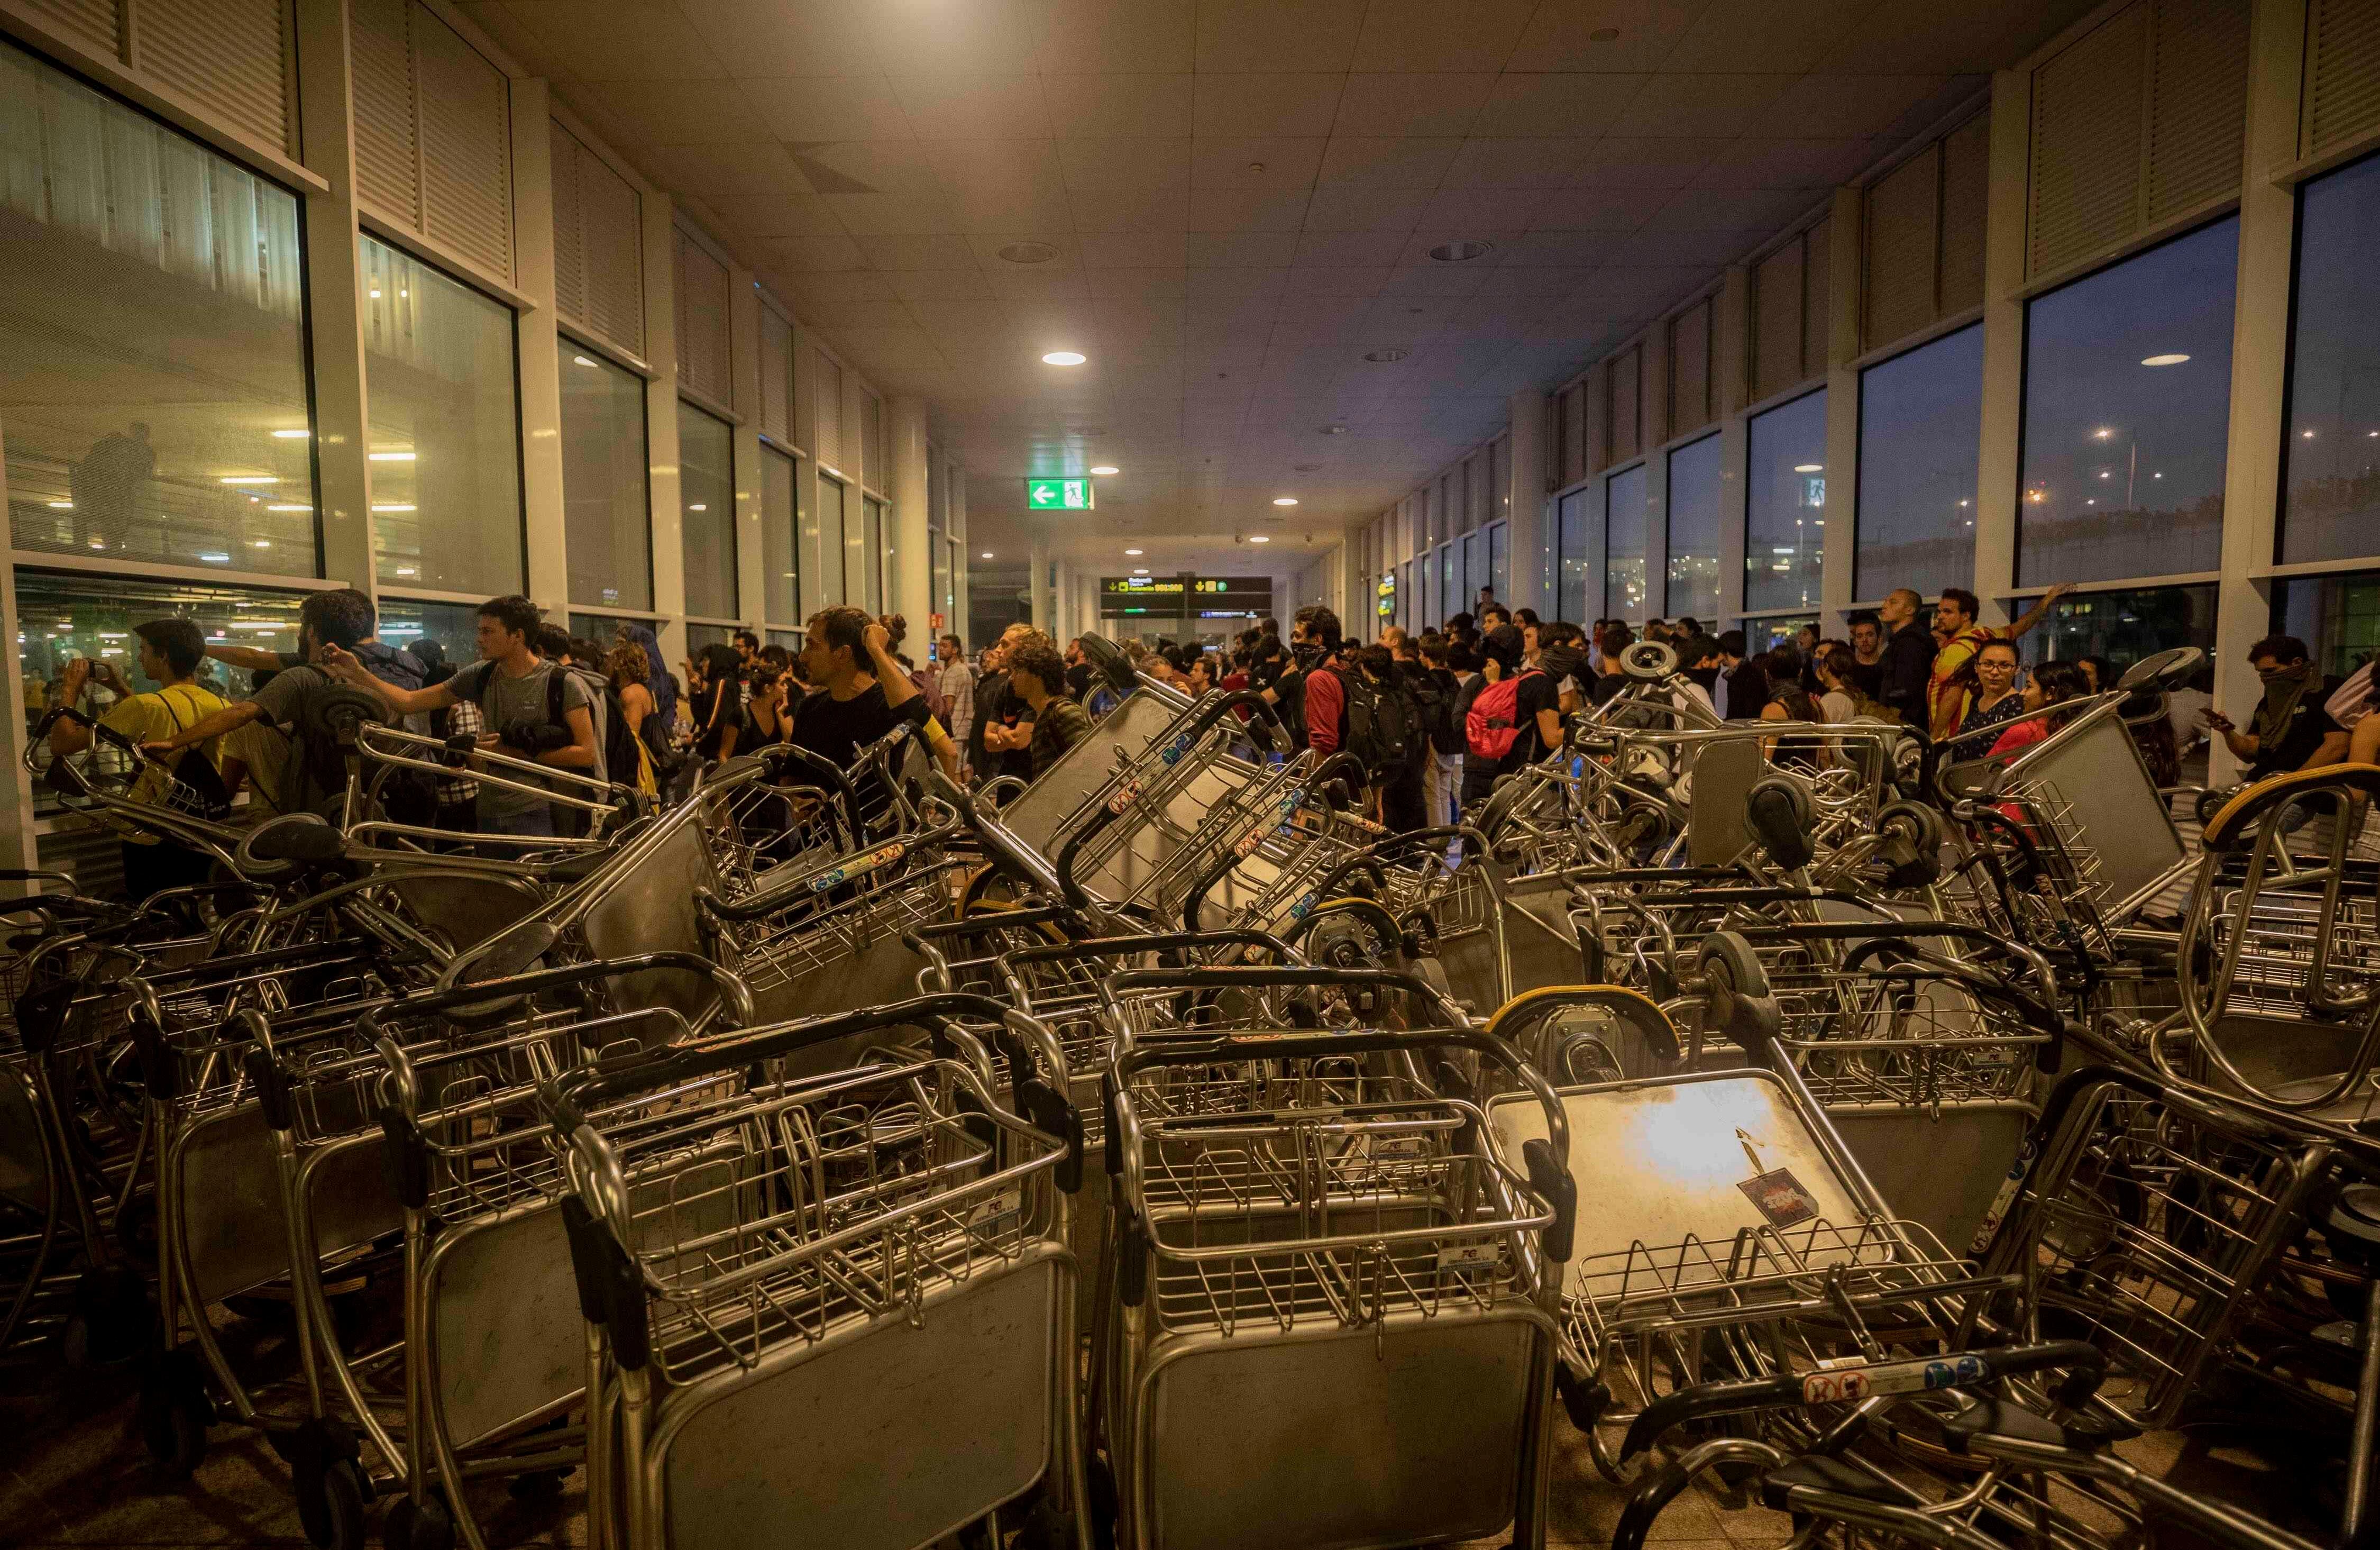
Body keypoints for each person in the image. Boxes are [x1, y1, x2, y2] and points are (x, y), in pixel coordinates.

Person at [319, 595, 600, 837]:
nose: (479, 639)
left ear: (518, 636)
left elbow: (586, 753)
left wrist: (512, 753)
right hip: (489, 809)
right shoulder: (482, 674)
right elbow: (409, 701)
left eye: (488, 632)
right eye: (480, 630)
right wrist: (358, 673)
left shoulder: (562, 683)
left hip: (541, 811)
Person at [144, 588, 425, 819]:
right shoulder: (408, 666)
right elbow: (255, 658)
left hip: (330, 805)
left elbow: (242, 712)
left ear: (312, 631)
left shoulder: (307, 675)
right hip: (403, 792)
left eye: (304, 627)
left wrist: (175, 742)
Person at [55, 619, 229, 901]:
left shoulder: (143, 707)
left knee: (154, 914)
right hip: (199, 830)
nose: (139, 657)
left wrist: (69, 691)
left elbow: (62, 743)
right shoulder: (221, 705)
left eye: (145, 650)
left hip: (151, 834)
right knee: (191, 909)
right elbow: (170, 716)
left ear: (164, 657)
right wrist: (123, 689)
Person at [788, 607, 958, 794]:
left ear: (843, 654)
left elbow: (947, 752)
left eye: (812, 646)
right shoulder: (810, 707)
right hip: (819, 824)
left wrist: (877, 650)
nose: (803, 656)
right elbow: (792, 773)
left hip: (879, 823)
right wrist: (796, 800)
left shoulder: (893, 706)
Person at [1926, 584, 2072, 742]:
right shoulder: (1988, 635)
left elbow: (1951, 697)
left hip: (1951, 734)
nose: (1940, 616)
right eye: (1940, 611)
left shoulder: (1958, 648)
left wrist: (1932, 738)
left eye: (1947, 612)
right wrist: (2047, 599)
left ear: (1966, 616)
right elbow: (2023, 625)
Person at [2201, 635, 2347, 781]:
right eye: (2261, 673)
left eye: (2270, 671)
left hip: (2306, 788)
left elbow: (2337, 746)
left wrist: (2292, 782)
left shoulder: (2327, 689)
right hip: (2265, 781)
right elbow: (2250, 752)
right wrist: (2227, 732)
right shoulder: (2269, 701)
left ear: (2297, 663)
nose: (2265, 678)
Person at [1005, 639, 1092, 779]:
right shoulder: (1045, 714)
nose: (1012, 678)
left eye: (1018, 671)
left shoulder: (1062, 712)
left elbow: (1092, 761)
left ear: (1036, 675)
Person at [1988, 660, 2091, 761]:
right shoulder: (2085, 731)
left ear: (2050, 693)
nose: (2022, 693)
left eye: (2029, 686)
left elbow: (1983, 774)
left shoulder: (2026, 731)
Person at [70, 422, 154, 544]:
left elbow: (87, 466)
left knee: (108, 522)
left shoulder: (111, 447)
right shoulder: (145, 451)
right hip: (120, 494)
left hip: (106, 492)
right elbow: (143, 474)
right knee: (117, 524)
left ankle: (110, 546)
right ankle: (114, 546)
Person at [1290, 606, 1349, 758]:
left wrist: (1305, 779)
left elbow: (1324, 744)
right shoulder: (1344, 670)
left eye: (1297, 637)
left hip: (1331, 775)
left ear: (1317, 640)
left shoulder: (1319, 679)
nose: (1293, 642)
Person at [1874, 589, 1937, 731]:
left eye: (1893, 602)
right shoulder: (1901, 641)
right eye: (1885, 601)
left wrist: (1889, 718)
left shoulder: (1912, 642)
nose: (1885, 606)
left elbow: (1906, 687)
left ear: (1910, 610)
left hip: (1903, 724)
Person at [1952, 640, 2028, 747]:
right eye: (1988, 664)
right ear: (1976, 666)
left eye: (2004, 666)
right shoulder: (1976, 701)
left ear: (2017, 669)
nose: (1995, 672)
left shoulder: (2017, 705)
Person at [686, 643, 743, 764]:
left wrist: (697, 740)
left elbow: (717, 724)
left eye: (706, 660)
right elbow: (703, 719)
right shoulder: (721, 684)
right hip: (719, 753)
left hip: (718, 756)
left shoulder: (723, 684)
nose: (701, 665)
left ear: (718, 661)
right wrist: (695, 694)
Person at [937, 634, 976, 750]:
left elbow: (948, 706)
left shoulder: (952, 673)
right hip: (964, 731)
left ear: (955, 650)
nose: (940, 649)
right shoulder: (964, 669)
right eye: (940, 646)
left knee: (952, 768)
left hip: (953, 731)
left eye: (944, 646)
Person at [1846, 614, 1886, 700]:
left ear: (1879, 639)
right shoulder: (1848, 669)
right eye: (1859, 636)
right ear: (1855, 641)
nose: (1864, 640)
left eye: (1870, 635)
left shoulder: (1887, 668)